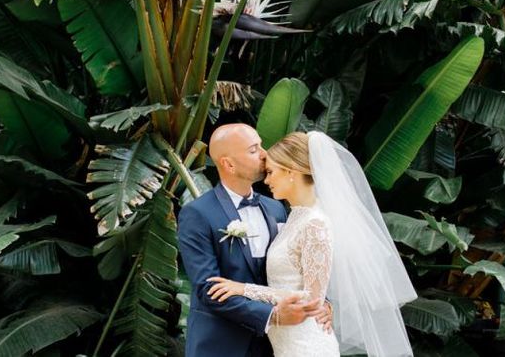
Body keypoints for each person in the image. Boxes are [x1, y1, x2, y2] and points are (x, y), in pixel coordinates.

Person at [207, 131, 417, 357]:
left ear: (291, 172)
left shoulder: (316, 223)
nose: (266, 180)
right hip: (289, 343)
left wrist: (243, 289)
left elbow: (310, 299)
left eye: (270, 172)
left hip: (307, 346)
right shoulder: (295, 216)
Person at [177, 124, 328, 357]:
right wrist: (271, 315)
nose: (265, 154)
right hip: (220, 345)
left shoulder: (276, 208)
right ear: (228, 164)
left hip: (275, 345)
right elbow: (208, 289)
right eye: (253, 149)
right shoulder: (197, 214)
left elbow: (298, 263)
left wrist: (319, 302)